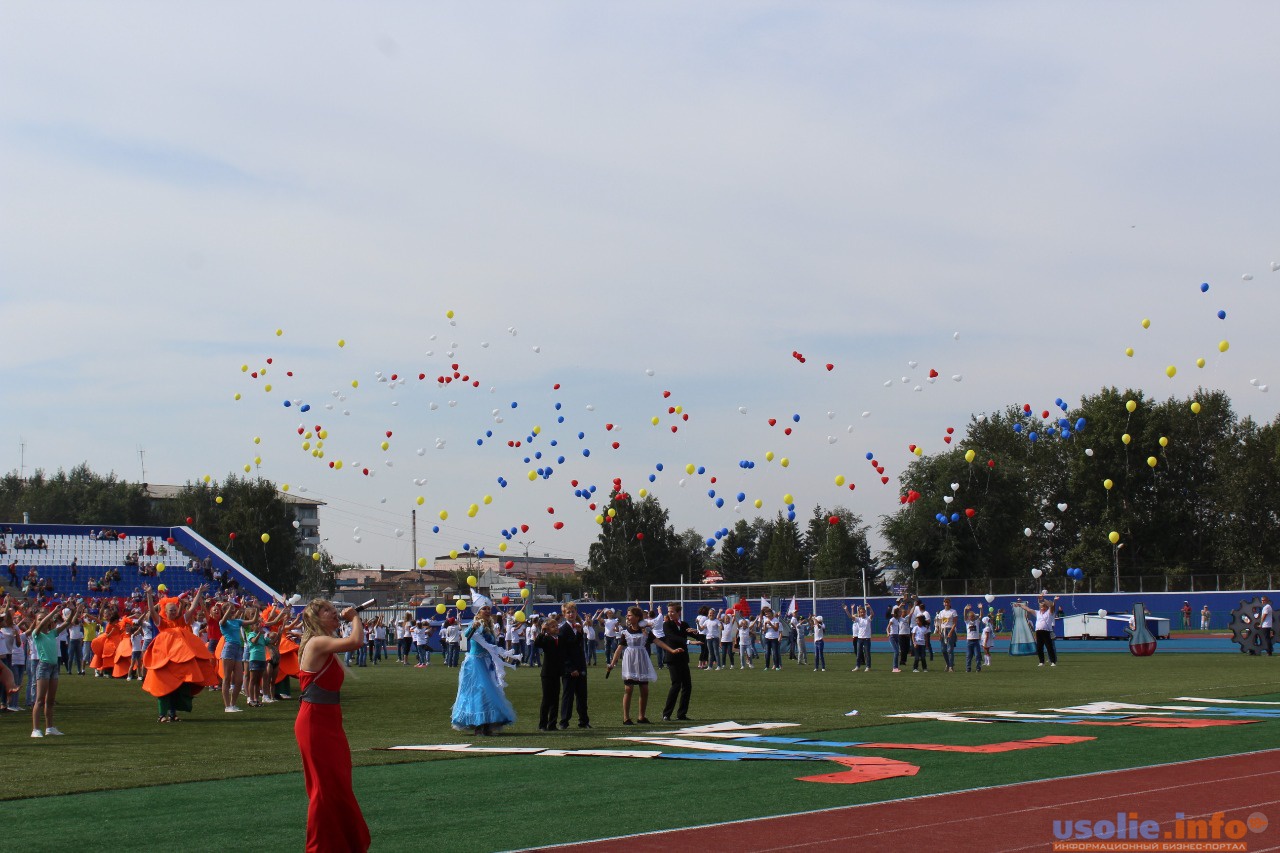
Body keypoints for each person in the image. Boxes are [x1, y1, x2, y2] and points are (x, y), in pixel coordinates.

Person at [294, 599, 371, 853]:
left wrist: (351, 620)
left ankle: (341, 843)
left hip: (328, 719)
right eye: (327, 610)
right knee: (324, 788)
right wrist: (355, 619)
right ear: (315, 618)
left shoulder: (320, 641)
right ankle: (320, 847)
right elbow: (355, 642)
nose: (334, 612)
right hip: (315, 721)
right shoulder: (317, 642)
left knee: (337, 783)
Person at [141, 584, 217, 722]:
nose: (174, 611)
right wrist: (149, 594)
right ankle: (162, 715)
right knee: (164, 686)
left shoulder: (181, 621)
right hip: (164, 659)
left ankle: (172, 714)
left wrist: (199, 592)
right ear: (165, 611)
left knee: (177, 686)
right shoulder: (162, 623)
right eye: (171, 610)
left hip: (179, 660)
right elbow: (152, 611)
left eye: (175, 609)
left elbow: (192, 608)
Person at [451, 596, 518, 734]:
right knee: (479, 692)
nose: (487, 611)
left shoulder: (490, 626)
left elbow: (492, 645)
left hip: (486, 662)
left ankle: (487, 724)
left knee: (489, 692)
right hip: (475, 663)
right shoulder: (475, 623)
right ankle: (478, 724)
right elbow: (466, 635)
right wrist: (473, 627)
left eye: (488, 608)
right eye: (484, 609)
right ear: (479, 611)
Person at [29, 602, 81, 737]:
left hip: (54, 667)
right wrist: (53, 612)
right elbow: (40, 626)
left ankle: (49, 727)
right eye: (39, 618)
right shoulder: (37, 634)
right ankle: (35, 729)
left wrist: (75, 610)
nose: (42, 620)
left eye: (43, 618)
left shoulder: (52, 633)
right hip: (44, 666)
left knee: (50, 700)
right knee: (39, 700)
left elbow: (68, 622)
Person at [606, 606, 658, 724]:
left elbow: (657, 641)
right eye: (627, 615)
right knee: (628, 689)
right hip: (630, 661)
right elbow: (619, 649)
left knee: (644, 689)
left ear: (637, 617)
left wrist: (671, 650)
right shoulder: (626, 632)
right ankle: (626, 717)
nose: (627, 617)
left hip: (642, 661)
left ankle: (641, 717)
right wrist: (612, 664)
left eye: (630, 615)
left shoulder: (645, 631)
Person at [654, 602, 692, 721]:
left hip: (683, 658)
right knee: (676, 684)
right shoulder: (667, 625)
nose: (670, 614)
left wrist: (697, 633)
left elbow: (693, 635)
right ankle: (667, 714)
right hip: (672, 658)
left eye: (672, 611)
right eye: (669, 611)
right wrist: (689, 642)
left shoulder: (684, 624)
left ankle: (682, 714)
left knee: (687, 686)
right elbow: (672, 637)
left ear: (679, 612)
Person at [558, 602, 590, 729]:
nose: (571, 614)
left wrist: (580, 633)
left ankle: (584, 721)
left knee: (582, 696)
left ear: (576, 613)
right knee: (568, 696)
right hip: (569, 669)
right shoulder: (563, 630)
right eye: (568, 612)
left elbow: (578, 647)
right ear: (564, 614)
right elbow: (563, 652)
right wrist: (571, 668)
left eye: (573, 612)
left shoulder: (578, 628)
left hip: (580, 666)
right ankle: (564, 722)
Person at [533, 613, 562, 731]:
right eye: (553, 626)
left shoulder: (559, 639)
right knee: (547, 699)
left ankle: (552, 724)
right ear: (548, 629)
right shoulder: (546, 639)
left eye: (556, 626)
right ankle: (542, 724)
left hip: (556, 672)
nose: (556, 628)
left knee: (555, 699)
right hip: (547, 673)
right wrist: (542, 632)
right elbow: (537, 644)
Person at [1015, 595, 1060, 666]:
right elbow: (1028, 609)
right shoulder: (1037, 612)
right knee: (1039, 647)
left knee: (1049, 647)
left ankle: (1053, 662)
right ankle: (1041, 662)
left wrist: (1054, 600)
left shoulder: (1049, 613)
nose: (1041, 608)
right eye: (1041, 606)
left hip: (1046, 631)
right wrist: (1020, 605)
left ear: (1046, 607)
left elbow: (1052, 606)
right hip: (1038, 632)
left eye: (1043, 606)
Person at [935, 598, 958, 673]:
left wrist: (951, 632)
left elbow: (954, 623)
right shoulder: (941, 612)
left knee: (950, 649)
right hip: (943, 630)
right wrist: (939, 633)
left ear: (949, 603)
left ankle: (951, 666)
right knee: (943, 650)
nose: (946, 603)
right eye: (945, 602)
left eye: (947, 602)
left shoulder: (953, 612)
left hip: (950, 629)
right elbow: (940, 623)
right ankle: (948, 664)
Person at [963, 606, 983, 672]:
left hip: (976, 641)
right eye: (971, 616)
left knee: (977, 655)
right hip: (969, 641)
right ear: (969, 617)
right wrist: (965, 609)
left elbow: (981, 616)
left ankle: (978, 668)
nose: (972, 617)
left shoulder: (977, 622)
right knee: (968, 656)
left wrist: (981, 609)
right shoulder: (967, 622)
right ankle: (968, 668)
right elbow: (964, 616)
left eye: (973, 616)